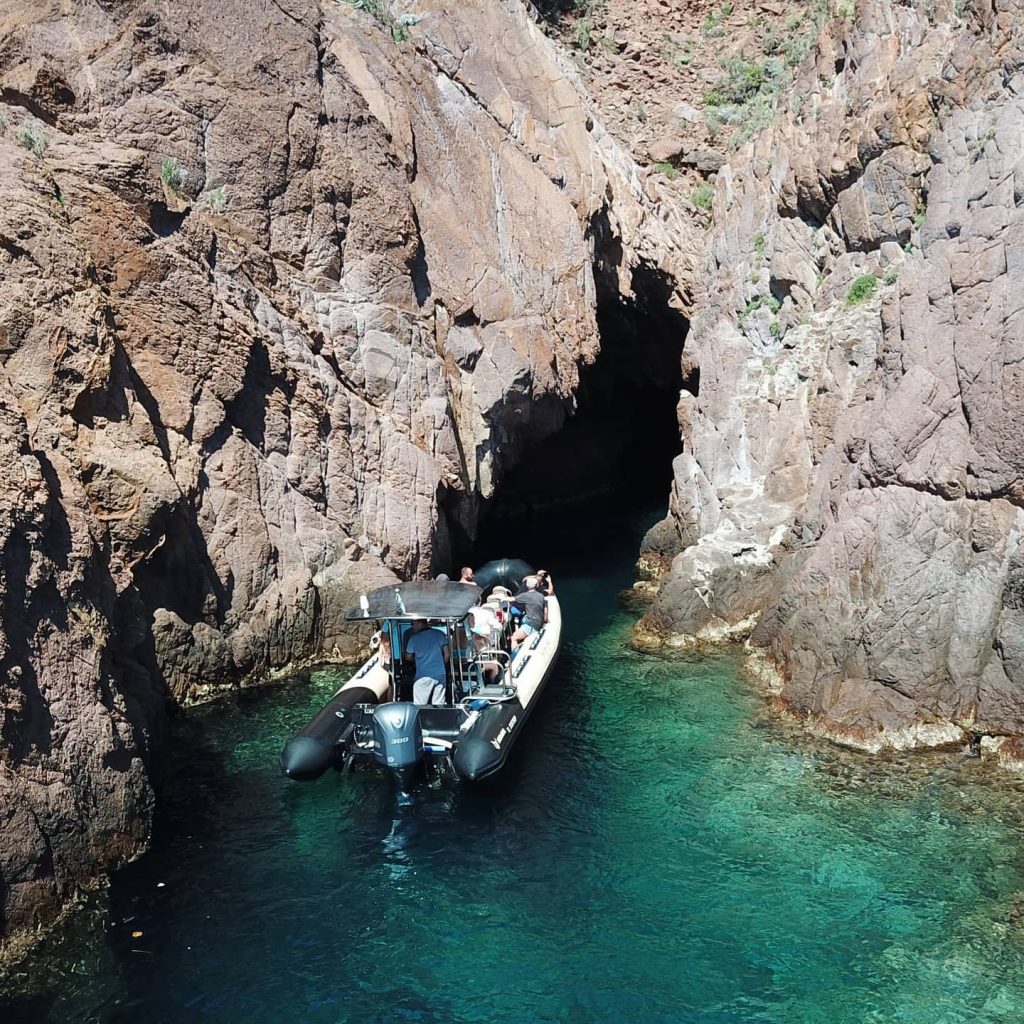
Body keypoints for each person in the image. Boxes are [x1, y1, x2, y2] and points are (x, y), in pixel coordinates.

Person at [404, 619, 450, 705]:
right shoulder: (440, 634)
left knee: (420, 705)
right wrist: (441, 665)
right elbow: (447, 655)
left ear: (419, 623)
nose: (412, 626)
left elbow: (408, 657)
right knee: (439, 704)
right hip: (440, 674)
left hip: (423, 675)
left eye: (412, 624)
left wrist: (417, 660)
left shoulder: (414, 639)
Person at [511, 576, 546, 649]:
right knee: (523, 619)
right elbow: (545, 610)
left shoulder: (525, 595)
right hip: (538, 622)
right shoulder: (541, 596)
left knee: (514, 638)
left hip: (531, 624)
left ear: (527, 586)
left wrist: (501, 597)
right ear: (537, 585)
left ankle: (513, 656)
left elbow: (511, 599)